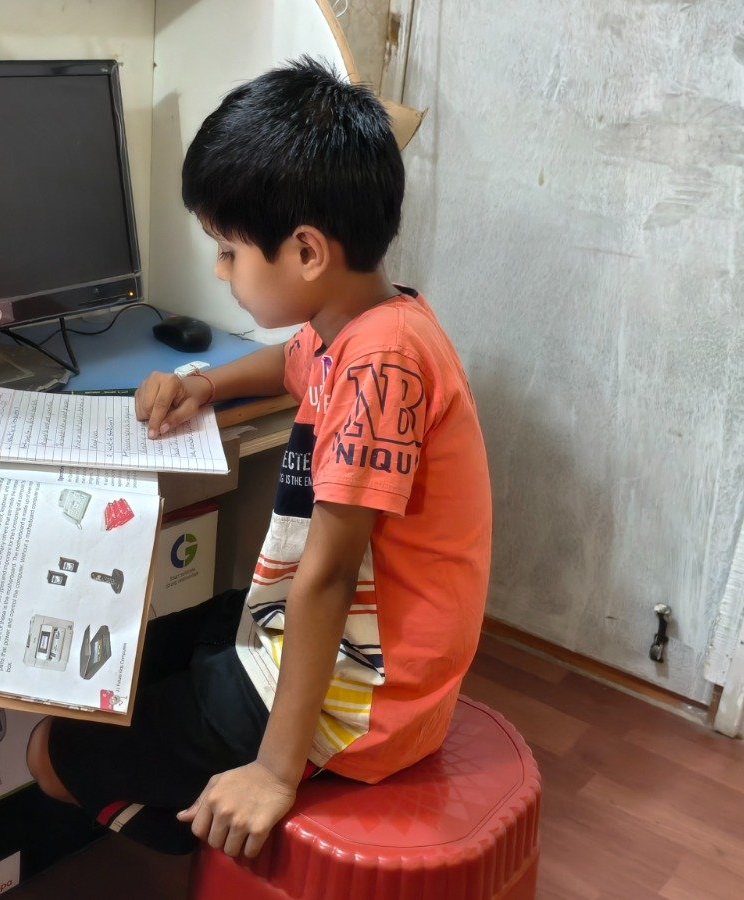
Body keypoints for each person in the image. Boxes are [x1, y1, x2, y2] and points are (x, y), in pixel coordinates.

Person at [26, 57, 492, 860]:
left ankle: (222, 824)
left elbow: (330, 577)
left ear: (306, 251)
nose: (220, 271)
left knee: (50, 754)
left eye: (228, 251)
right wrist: (204, 385)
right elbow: (291, 363)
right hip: (336, 644)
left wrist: (274, 772)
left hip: (366, 696)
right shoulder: (370, 324)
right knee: (125, 668)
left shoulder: (381, 368)